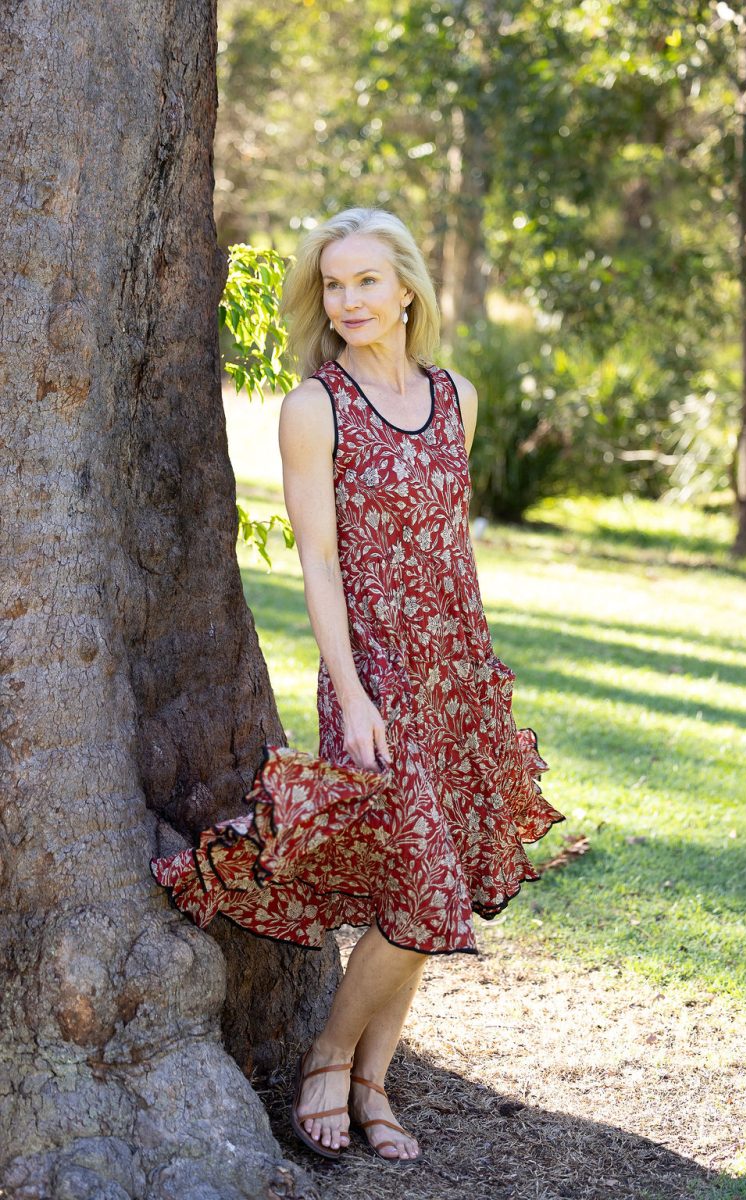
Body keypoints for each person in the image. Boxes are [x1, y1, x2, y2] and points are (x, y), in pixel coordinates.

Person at [151, 206, 564, 1166]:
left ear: (407, 286)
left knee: (436, 882)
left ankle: (377, 1084)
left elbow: (448, 542)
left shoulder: (457, 395)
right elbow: (321, 566)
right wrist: (355, 692)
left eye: (366, 281)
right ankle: (330, 1061)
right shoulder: (316, 408)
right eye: (333, 286)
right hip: (374, 671)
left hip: (457, 665)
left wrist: (472, 667)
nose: (348, 302)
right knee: (417, 886)